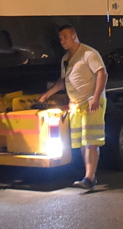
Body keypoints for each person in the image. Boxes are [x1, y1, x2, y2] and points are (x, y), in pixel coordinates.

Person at [38, 25, 107, 191]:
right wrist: (47, 94)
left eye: (65, 37)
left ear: (74, 36)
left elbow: (102, 73)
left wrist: (96, 97)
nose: (62, 40)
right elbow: (63, 81)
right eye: (60, 38)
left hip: (90, 103)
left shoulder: (89, 53)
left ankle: (89, 178)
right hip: (76, 105)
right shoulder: (66, 59)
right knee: (83, 143)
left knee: (90, 142)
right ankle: (88, 176)